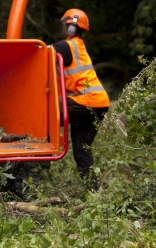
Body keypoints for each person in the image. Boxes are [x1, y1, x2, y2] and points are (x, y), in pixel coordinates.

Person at [53, 8, 110, 191]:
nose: (62, 29)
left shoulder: (65, 47)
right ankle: (93, 193)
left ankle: (32, 173)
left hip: (86, 102)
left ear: (70, 28)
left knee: (44, 121)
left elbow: (38, 54)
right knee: (82, 148)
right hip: (100, 103)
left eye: (64, 25)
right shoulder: (78, 46)